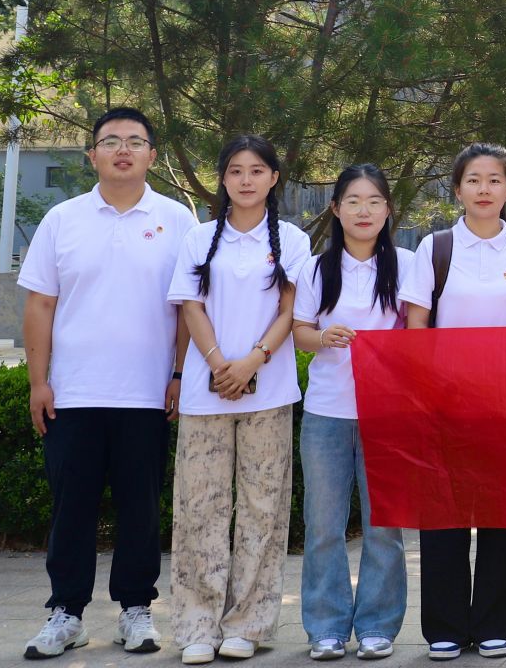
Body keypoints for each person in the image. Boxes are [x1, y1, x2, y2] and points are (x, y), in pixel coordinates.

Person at [19, 107, 197, 660]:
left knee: (141, 509)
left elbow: (188, 308)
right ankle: (66, 613)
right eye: (112, 141)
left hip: (146, 394)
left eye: (135, 141)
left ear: (152, 155)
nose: (124, 150)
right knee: (71, 507)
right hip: (73, 394)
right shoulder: (63, 219)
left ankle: (136, 610)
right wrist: (38, 382)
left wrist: (178, 373)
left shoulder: (178, 221)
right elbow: (40, 305)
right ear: (92, 155)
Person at [169, 135, 310, 664]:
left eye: (256, 170)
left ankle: (247, 624)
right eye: (235, 171)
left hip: (269, 391)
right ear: (223, 179)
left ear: (274, 178)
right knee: (198, 507)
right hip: (206, 394)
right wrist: (217, 363)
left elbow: (292, 310)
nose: (245, 180)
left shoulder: (292, 239)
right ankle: (197, 626)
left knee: (263, 508)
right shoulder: (200, 237)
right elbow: (191, 306)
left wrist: (253, 361)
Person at [407, 144, 506, 662]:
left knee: (502, 517)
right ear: (458, 188)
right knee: (444, 516)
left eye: (494, 180)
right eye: (474, 180)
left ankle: (493, 625)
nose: (484, 189)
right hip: (445, 404)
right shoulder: (436, 247)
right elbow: (417, 325)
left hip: (504, 406)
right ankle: (444, 625)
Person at [295, 164, 425, 661]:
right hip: (327, 411)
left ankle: (377, 625)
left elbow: (418, 333)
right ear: (336, 209)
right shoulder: (316, 269)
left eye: (373, 201)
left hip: (387, 414)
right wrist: (323, 337)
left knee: (384, 527)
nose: (363, 210)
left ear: (388, 210)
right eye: (352, 201)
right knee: (323, 526)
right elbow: (300, 332)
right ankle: (325, 627)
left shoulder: (407, 264)